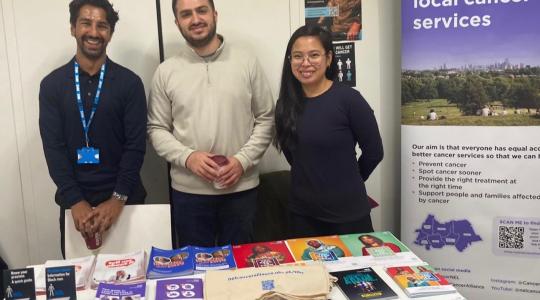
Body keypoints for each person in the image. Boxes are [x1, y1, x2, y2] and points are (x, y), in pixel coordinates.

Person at [147, 0, 274, 247]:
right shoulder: (166, 72)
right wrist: (188, 157)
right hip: (188, 195)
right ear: (177, 22)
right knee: (195, 271)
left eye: (201, 10)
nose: (195, 19)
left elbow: (266, 118)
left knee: (239, 271)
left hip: (241, 190)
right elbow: (156, 128)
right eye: (186, 14)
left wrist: (242, 161)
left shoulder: (246, 62)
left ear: (214, 14)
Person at [39, 0, 147, 256]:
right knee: (81, 287)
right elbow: (53, 148)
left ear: (110, 33)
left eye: (102, 25)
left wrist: (117, 199)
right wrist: (75, 201)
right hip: (75, 207)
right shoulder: (52, 85)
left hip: (126, 203)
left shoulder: (130, 83)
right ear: (73, 28)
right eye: (86, 23)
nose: (94, 32)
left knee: (134, 284)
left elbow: (136, 145)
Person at [274, 25, 383, 238]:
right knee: (309, 271)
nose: (305, 63)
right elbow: (293, 155)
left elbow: (374, 151)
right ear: (290, 61)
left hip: (348, 215)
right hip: (302, 216)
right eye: (297, 56)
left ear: (329, 58)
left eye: (314, 55)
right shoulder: (284, 105)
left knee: (355, 272)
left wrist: (349, 180)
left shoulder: (349, 99)